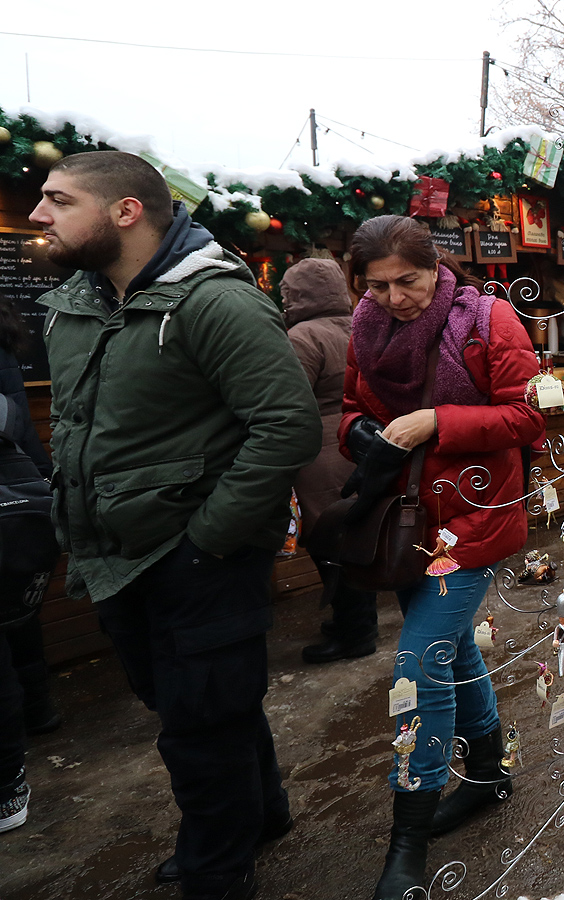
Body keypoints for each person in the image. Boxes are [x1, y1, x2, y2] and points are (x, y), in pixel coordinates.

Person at [30, 151, 320, 899]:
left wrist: (209, 540)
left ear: (125, 210)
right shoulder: (73, 304)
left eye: (59, 201)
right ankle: (261, 816)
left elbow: (285, 427)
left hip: (198, 553)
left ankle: (217, 872)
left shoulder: (215, 302)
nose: (38, 215)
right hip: (113, 553)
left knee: (198, 728)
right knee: (200, 705)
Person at [340, 216, 542, 900]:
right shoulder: (365, 329)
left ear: (437, 266)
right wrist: (361, 431)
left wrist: (438, 423)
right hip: (406, 525)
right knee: (453, 652)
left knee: (418, 664)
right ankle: (488, 776)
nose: (395, 297)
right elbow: (345, 409)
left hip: (472, 522)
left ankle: (408, 843)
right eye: (378, 285)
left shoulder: (490, 319)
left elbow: (529, 417)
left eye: (409, 280)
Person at [277, 259, 380, 665]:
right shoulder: (361, 325)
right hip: (362, 442)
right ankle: (353, 623)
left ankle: (355, 633)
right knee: (356, 537)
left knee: (331, 546)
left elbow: (287, 401)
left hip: (319, 455)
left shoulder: (301, 337)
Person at [0, 296, 56, 836]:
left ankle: (6, 780)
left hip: (10, 496)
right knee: (19, 620)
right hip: (19, 497)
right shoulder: (10, 336)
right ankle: (39, 709)